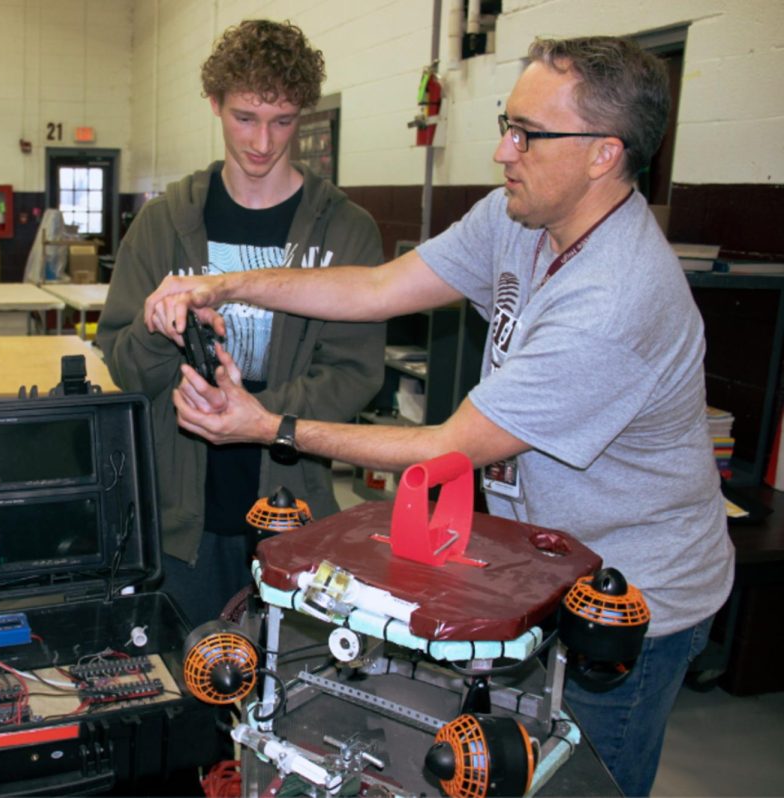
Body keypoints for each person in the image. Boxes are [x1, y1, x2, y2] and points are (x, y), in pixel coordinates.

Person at [142, 36, 734, 797]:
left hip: (633, 601)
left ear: (602, 154)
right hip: (545, 566)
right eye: (505, 122)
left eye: (527, 133)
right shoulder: (520, 217)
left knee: (580, 779)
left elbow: (447, 448)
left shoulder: (616, 300)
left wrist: (268, 426)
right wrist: (219, 288)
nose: (501, 150)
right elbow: (376, 289)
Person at [95, 19, 386, 628]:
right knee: (191, 688)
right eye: (245, 118)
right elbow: (122, 365)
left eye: (283, 121)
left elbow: (354, 374)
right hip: (180, 516)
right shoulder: (162, 224)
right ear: (214, 105)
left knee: (285, 696)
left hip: (292, 506)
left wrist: (258, 419)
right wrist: (158, 328)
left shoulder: (345, 230)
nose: (262, 142)